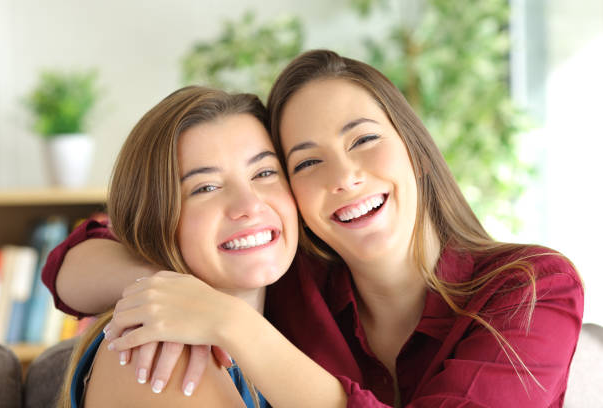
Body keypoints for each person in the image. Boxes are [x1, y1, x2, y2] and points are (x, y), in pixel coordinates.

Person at [44, 50, 583, 407]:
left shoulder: (529, 286)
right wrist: (171, 292)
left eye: (364, 139)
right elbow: (72, 257)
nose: (346, 177)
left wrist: (229, 320)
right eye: (304, 163)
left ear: (414, 149)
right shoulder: (282, 278)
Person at [53, 85, 348, 407]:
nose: (249, 204)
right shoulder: (163, 351)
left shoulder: (300, 312)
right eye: (206, 187)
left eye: (264, 172)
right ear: (155, 217)